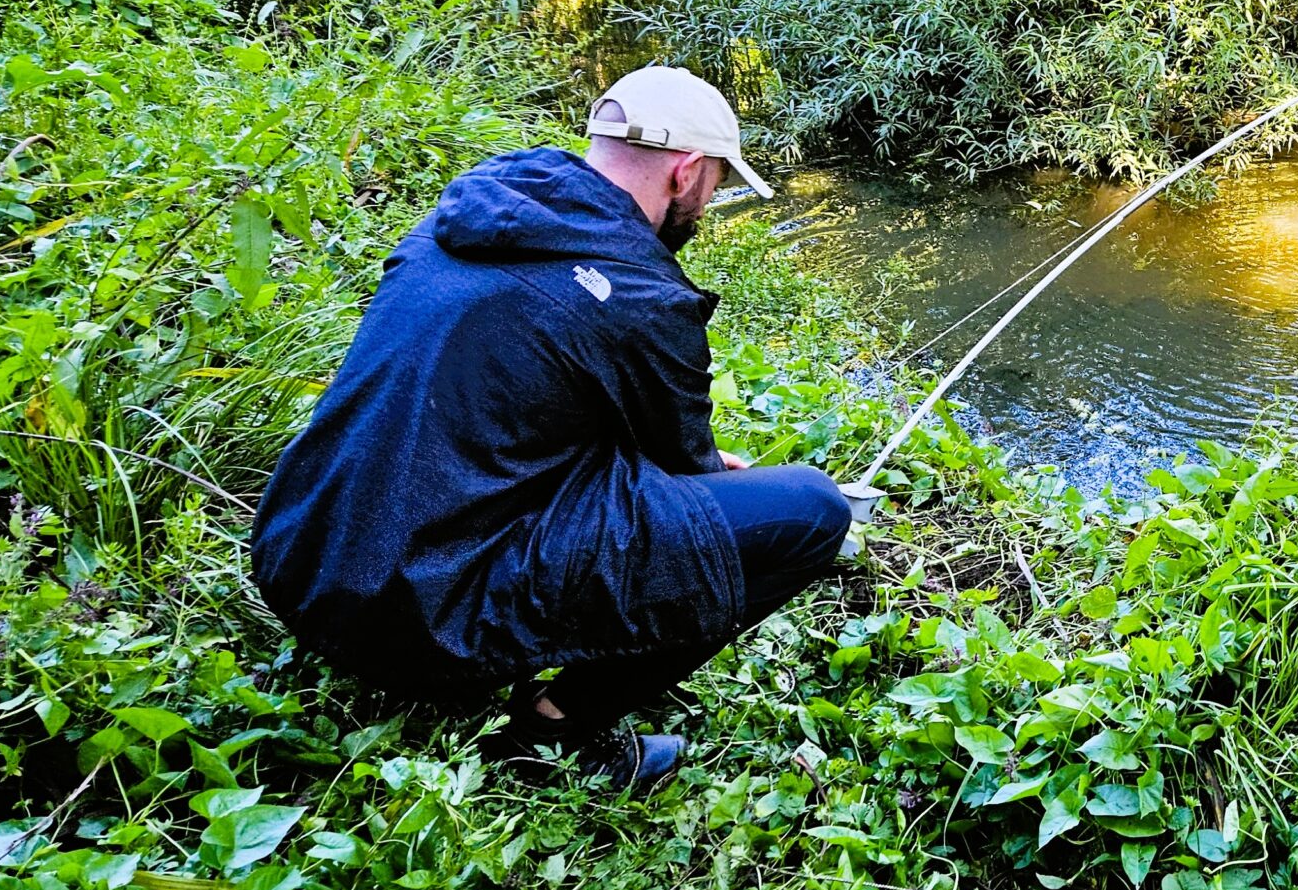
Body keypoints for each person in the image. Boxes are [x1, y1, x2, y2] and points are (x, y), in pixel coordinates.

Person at [252, 66, 851, 790]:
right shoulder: (640, 292)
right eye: (716, 183)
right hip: (415, 623)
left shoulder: (467, 214)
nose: (707, 203)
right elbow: (683, 471)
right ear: (686, 172)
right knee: (810, 513)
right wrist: (708, 472)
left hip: (299, 564)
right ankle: (550, 732)